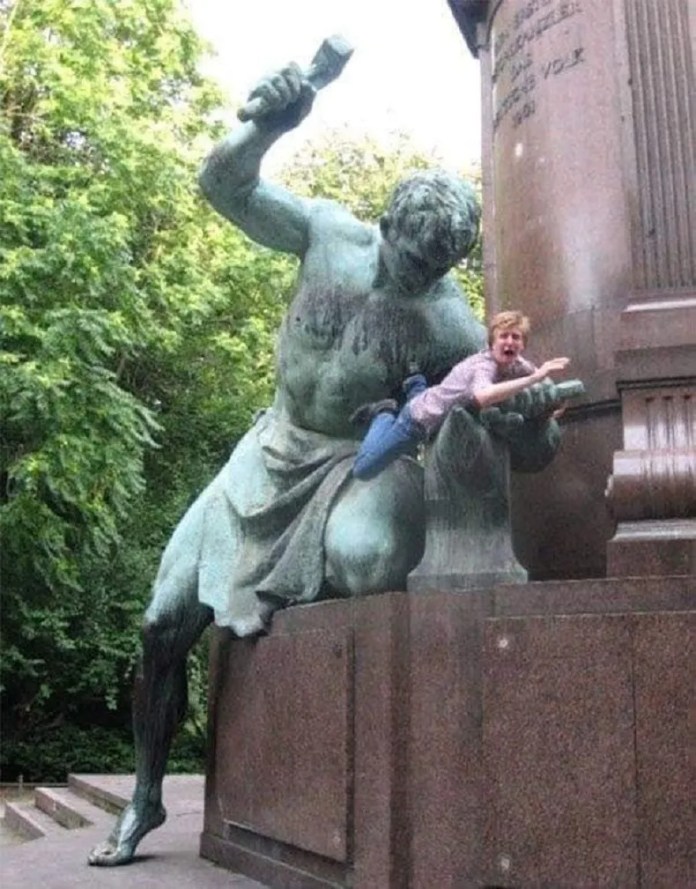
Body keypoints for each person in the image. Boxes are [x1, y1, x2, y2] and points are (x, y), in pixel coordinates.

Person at [88, 61, 567, 867]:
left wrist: (533, 421)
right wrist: (272, 122)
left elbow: (526, 444)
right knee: (159, 621)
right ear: (386, 223)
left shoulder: (449, 320)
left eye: (434, 266)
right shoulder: (323, 234)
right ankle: (144, 796)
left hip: (356, 464)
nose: (417, 273)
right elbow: (221, 185)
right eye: (411, 254)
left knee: (371, 554)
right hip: (266, 456)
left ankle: (319, 693)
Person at [352, 311, 570, 479]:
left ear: (522, 345)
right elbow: (483, 396)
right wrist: (535, 378)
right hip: (417, 421)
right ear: (492, 343)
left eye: (516, 337)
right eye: (503, 336)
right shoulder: (483, 367)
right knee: (364, 469)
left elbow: (544, 383)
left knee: (432, 397)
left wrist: (552, 404)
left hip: (437, 402)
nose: (510, 342)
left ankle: (415, 381)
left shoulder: (517, 363)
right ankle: (384, 413)